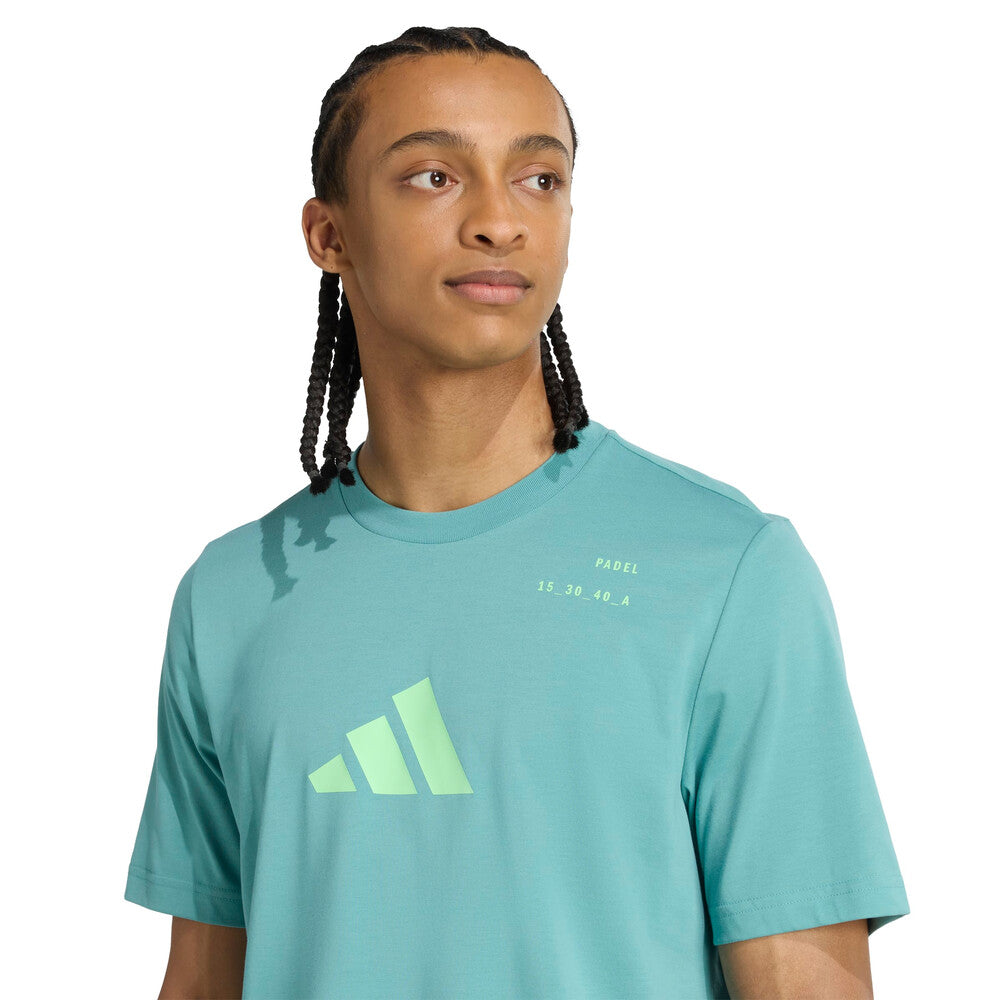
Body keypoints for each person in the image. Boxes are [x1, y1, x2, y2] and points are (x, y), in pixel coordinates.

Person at [123, 25, 909, 999]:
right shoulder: (232, 593)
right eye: (434, 177)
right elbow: (204, 979)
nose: (500, 221)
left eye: (539, 179)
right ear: (329, 235)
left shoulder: (725, 569)